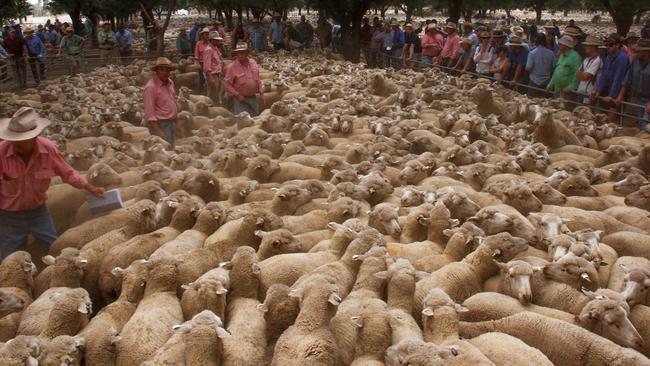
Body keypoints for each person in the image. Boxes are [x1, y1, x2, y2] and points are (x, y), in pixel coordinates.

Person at [0, 107, 105, 259]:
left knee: (54, 247)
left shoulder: (48, 149)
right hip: (9, 215)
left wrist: (91, 188)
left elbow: (67, 172)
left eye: (21, 140)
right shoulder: (2, 153)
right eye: (14, 139)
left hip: (38, 211)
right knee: (12, 257)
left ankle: (57, 276)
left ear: (33, 137)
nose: (16, 143)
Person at [592, 33, 629, 122]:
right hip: (607, 90)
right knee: (602, 118)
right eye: (606, 44)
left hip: (617, 93)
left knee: (611, 121)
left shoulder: (622, 58)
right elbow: (604, 75)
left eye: (610, 45)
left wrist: (612, 96)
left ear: (617, 45)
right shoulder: (608, 57)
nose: (608, 46)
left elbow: (618, 78)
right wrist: (598, 90)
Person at [143, 57, 178, 145]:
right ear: (157, 71)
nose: (165, 72)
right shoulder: (150, 87)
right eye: (162, 70)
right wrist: (158, 131)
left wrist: (176, 121)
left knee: (171, 149)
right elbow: (149, 113)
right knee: (163, 154)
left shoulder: (170, 83)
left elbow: (173, 100)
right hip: (160, 124)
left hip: (170, 123)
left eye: (167, 70)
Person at [617, 38, 650, 130]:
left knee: (647, 126)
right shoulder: (635, 60)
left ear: (647, 51)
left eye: (639, 50)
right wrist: (620, 95)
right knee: (639, 123)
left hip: (648, 99)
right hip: (637, 97)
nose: (637, 51)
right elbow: (628, 78)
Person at [224, 43, 265, 117]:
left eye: (243, 52)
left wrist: (261, 93)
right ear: (236, 53)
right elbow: (227, 84)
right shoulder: (231, 67)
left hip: (253, 98)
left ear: (247, 53)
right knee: (243, 121)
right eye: (239, 52)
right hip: (240, 100)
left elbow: (258, 78)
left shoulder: (253, 63)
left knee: (255, 120)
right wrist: (237, 95)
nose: (241, 54)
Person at [547, 36, 582, 106]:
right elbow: (557, 70)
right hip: (557, 90)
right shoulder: (561, 55)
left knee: (565, 112)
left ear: (566, 45)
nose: (559, 45)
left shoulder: (575, 57)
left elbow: (577, 74)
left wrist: (570, 87)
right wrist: (551, 84)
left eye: (561, 44)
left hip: (566, 92)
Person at [526, 33, 555, 97]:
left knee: (531, 101)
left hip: (534, 81)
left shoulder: (532, 53)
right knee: (544, 102)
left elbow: (528, 68)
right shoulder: (551, 53)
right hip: (546, 81)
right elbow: (553, 66)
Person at [576, 36, 603, 105]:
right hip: (581, 90)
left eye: (587, 46)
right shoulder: (586, 59)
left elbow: (584, 76)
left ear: (593, 47)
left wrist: (582, 74)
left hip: (589, 93)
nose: (585, 47)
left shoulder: (598, 60)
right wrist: (582, 74)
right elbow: (578, 74)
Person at [203, 32, 224, 104]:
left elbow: (219, 58)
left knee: (217, 92)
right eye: (216, 40)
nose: (218, 41)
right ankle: (211, 109)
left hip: (217, 74)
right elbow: (206, 65)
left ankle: (216, 105)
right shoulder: (208, 50)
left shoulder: (215, 48)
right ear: (211, 40)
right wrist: (210, 77)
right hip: (212, 75)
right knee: (212, 94)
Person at [194, 27, 210, 92]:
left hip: (209, 62)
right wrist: (197, 64)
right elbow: (196, 55)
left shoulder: (210, 43)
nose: (207, 36)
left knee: (210, 77)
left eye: (207, 34)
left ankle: (209, 90)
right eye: (205, 34)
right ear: (202, 35)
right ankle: (201, 90)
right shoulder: (198, 44)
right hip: (202, 62)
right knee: (202, 78)